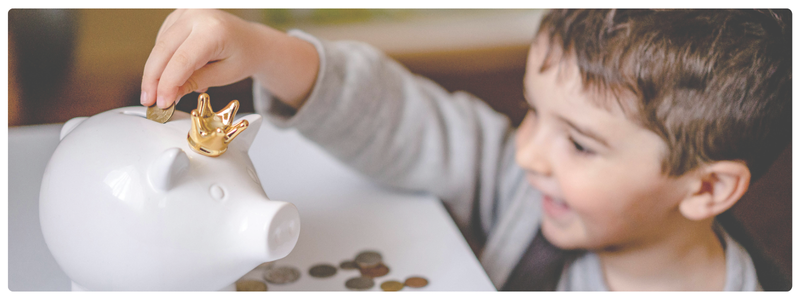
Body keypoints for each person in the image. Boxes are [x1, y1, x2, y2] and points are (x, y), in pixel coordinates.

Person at [140, 9, 791, 291]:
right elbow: (403, 117)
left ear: (705, 188)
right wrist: (262, 50)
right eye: (533, 111)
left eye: (579, 144)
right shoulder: (521, 189)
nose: (528, 152)